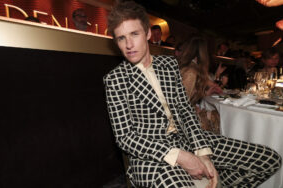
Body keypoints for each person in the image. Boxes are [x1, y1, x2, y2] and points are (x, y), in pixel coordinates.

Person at [104, 1, 281, 187]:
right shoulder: (115, 79)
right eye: (121, 38)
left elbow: (185, 109)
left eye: (134, 34)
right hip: (151, 156)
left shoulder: (169, 64)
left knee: (269, 160)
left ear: (147, 33)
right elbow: (125, 138)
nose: (129, 44)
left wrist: (202, 152)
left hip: (187, 138)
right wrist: (179, 156)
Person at [178, 36, 222, 134]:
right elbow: (180, 103)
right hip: (182, 121)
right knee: (219, 118)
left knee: (217, 115)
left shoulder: (192, 67)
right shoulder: (191, 72)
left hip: (186, 114)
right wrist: (193, 109)